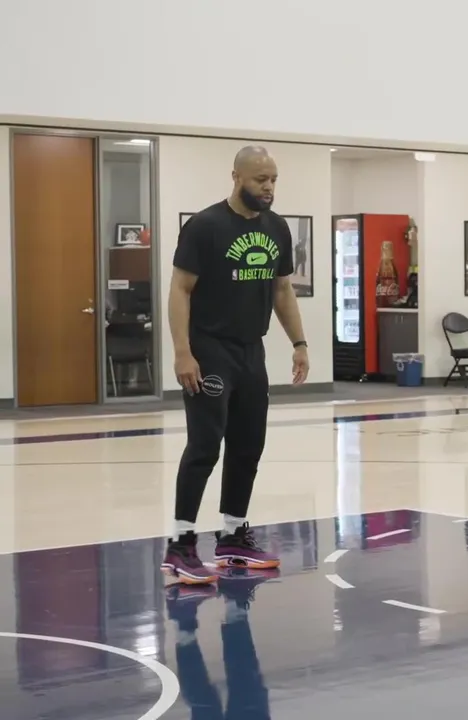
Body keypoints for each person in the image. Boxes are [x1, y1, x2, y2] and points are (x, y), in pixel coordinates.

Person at [160, 146, 309, 585]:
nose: (269, 187)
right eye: (261, 179)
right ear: (237, 177)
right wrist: (183, 351)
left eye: (273, 179)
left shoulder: (277, 228)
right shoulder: (205, 226)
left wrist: (299, 343)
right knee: (205, 445)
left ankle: (232, 538)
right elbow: (180, 289)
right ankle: (180, 545)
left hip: (250, 350)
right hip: (209, 348)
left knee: (248, 445)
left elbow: (282, 290)